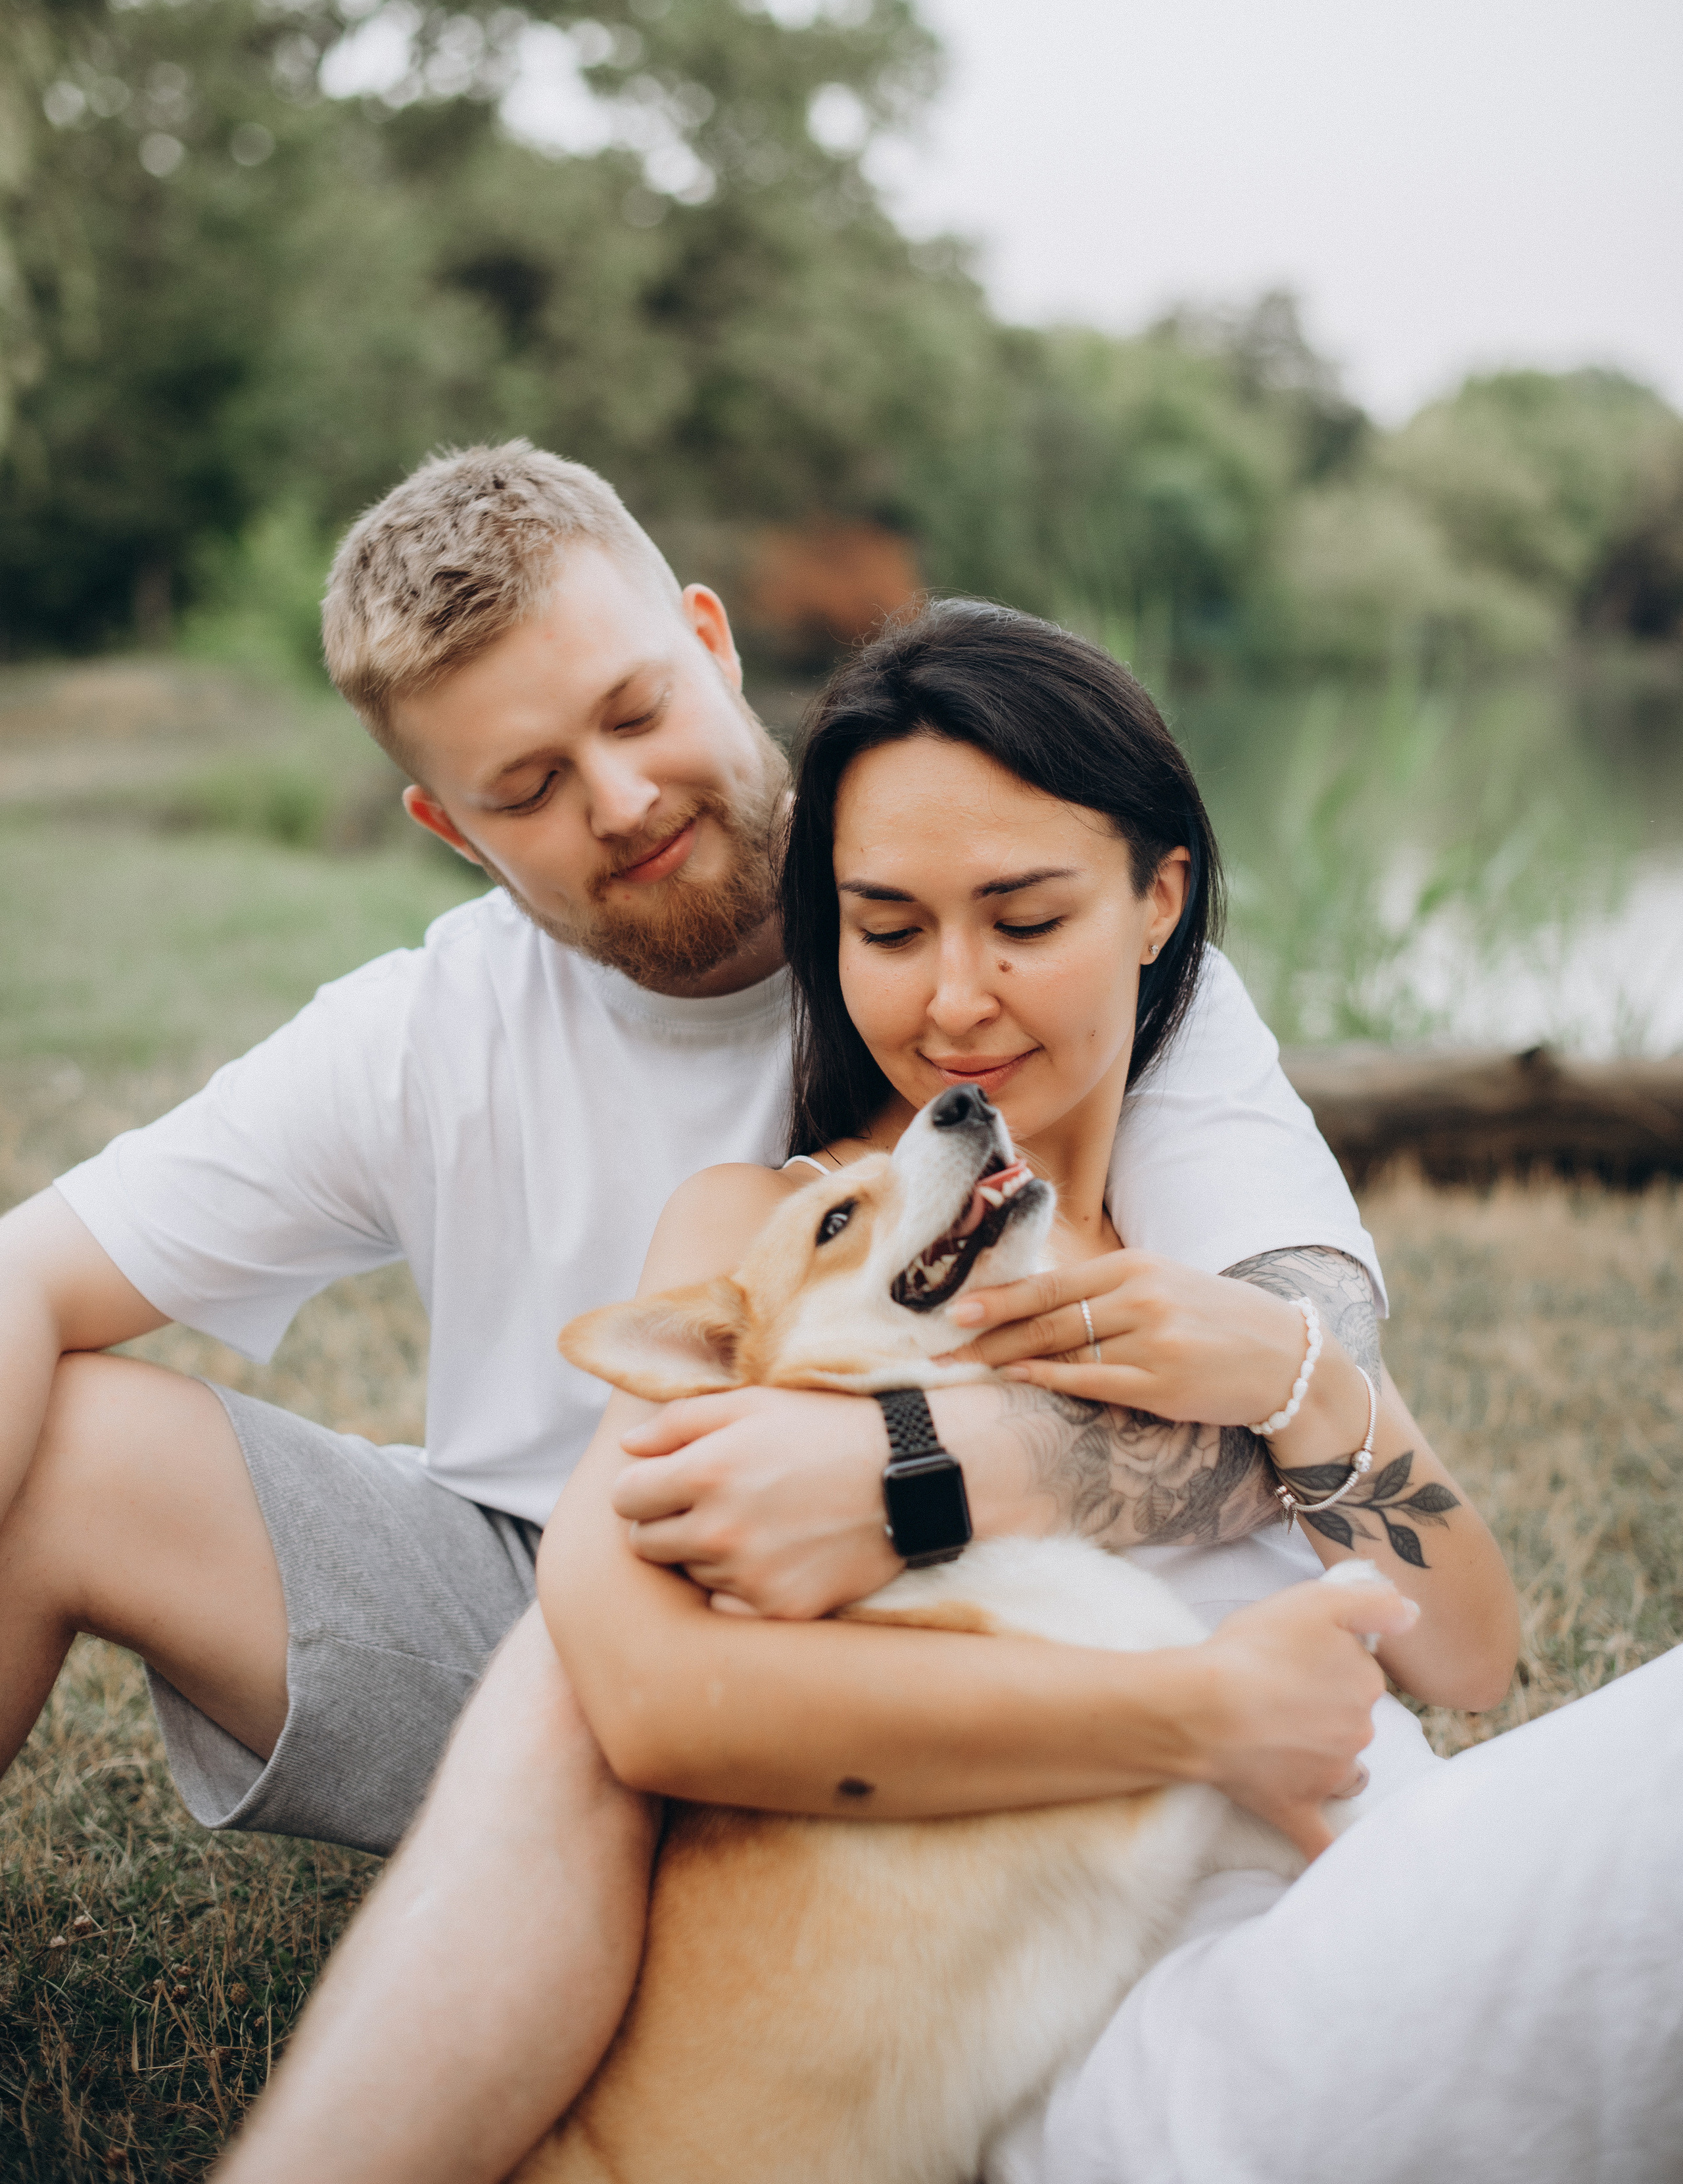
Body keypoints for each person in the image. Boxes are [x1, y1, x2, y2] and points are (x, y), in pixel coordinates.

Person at [0, 444, 1410, 2184]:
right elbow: (26, 1275)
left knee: (604, 1647)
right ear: (447, 827)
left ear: (710, 637)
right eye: (527, 784)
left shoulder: (995, 934)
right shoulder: (425, 1031)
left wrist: (906, 1473)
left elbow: (1307, 1338)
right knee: (78, 1442)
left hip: (894, 1623)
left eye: (635, 709)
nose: (617, 797)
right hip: (561, 1586)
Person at [538, 600, 1682, 2184]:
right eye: (888, 931)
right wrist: (932, 1475)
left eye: (1021, 918)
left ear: (1158, 902)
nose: (954, 1003)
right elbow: (660, 1696)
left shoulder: (1208, 1239)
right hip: (1146, 2023)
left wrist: (1287, 1376)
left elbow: (1464, 1652)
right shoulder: (777, 1250)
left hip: (1388, 1892)